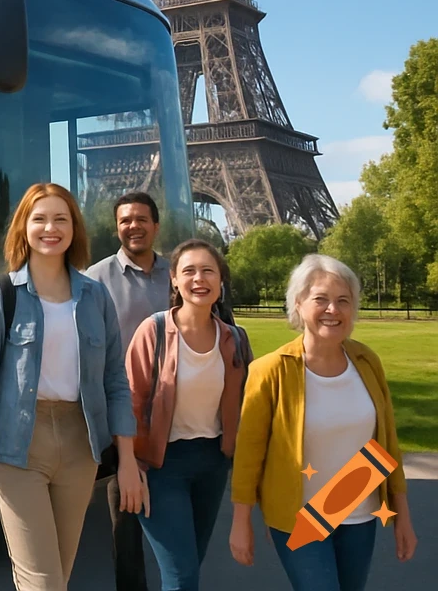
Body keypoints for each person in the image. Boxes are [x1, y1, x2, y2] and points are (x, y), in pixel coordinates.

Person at [0, 182, 143, 591]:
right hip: (18, 447)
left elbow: (115, 380)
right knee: (42, 582)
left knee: (59, 574)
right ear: (23, 228)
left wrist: (127, 460)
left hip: (81, 447)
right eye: (39, 219)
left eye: (61, 219)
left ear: (74, 228)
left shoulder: (96, 297)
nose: (50, 228)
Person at [230, 253, 417, 591]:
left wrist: (403, 514)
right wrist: (241, 521)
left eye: (343, 300)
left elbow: (388, 442)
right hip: (301, 515)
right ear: (298, 304)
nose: (333, 309)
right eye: (321, 299)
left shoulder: (367, 361)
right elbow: (249, 455)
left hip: (359, 509)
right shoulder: (270, 371)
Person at [125, 239, 252, 591]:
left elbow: (248, 405)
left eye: (208, 271)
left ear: (221, 281)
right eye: (189, 271)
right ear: (174, 279)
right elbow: (128, 402)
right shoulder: (153, 331)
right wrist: (129, 465)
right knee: (182, 577)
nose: (199, 279)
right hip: (159, 467)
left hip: (212, 463)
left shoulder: (235, 339)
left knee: (190, 565)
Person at [86, 191, 170, 591]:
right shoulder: (95, 278)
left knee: (172, 507)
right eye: (125, 220)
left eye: (140, 219)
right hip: (123, 410)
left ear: (155, 225)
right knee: (127, 509)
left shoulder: (178, 275)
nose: (133, 226)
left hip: (175, 410)